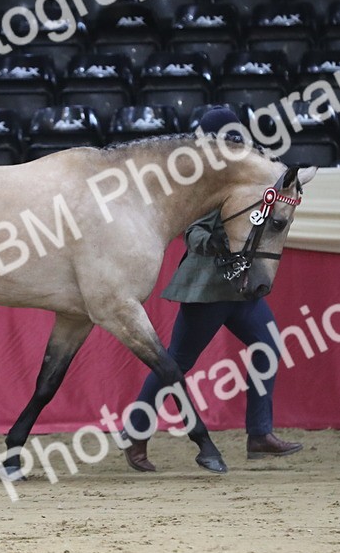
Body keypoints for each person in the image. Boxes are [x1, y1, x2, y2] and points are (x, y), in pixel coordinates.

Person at [121, 106, 302, 472]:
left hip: (242, 288)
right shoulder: (200, 181)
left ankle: (259, 434)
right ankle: (136, 432)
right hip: (206, 288)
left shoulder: (244, 179)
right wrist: (222, 244)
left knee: (267, 345)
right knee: (176, 362)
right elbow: (195, 233)